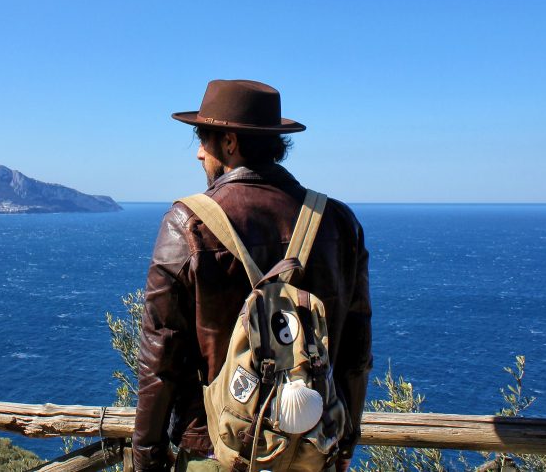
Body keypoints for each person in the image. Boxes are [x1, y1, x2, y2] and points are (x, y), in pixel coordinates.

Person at [133, 79, 372, 472]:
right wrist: (345, 442)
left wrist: (148, 459)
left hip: (217, 450)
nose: (198, 154)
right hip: (313, 450)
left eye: (203, 139)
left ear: (229, 143)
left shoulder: (187, 224)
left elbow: (159, 364)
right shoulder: (339, 223)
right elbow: (356, 354)